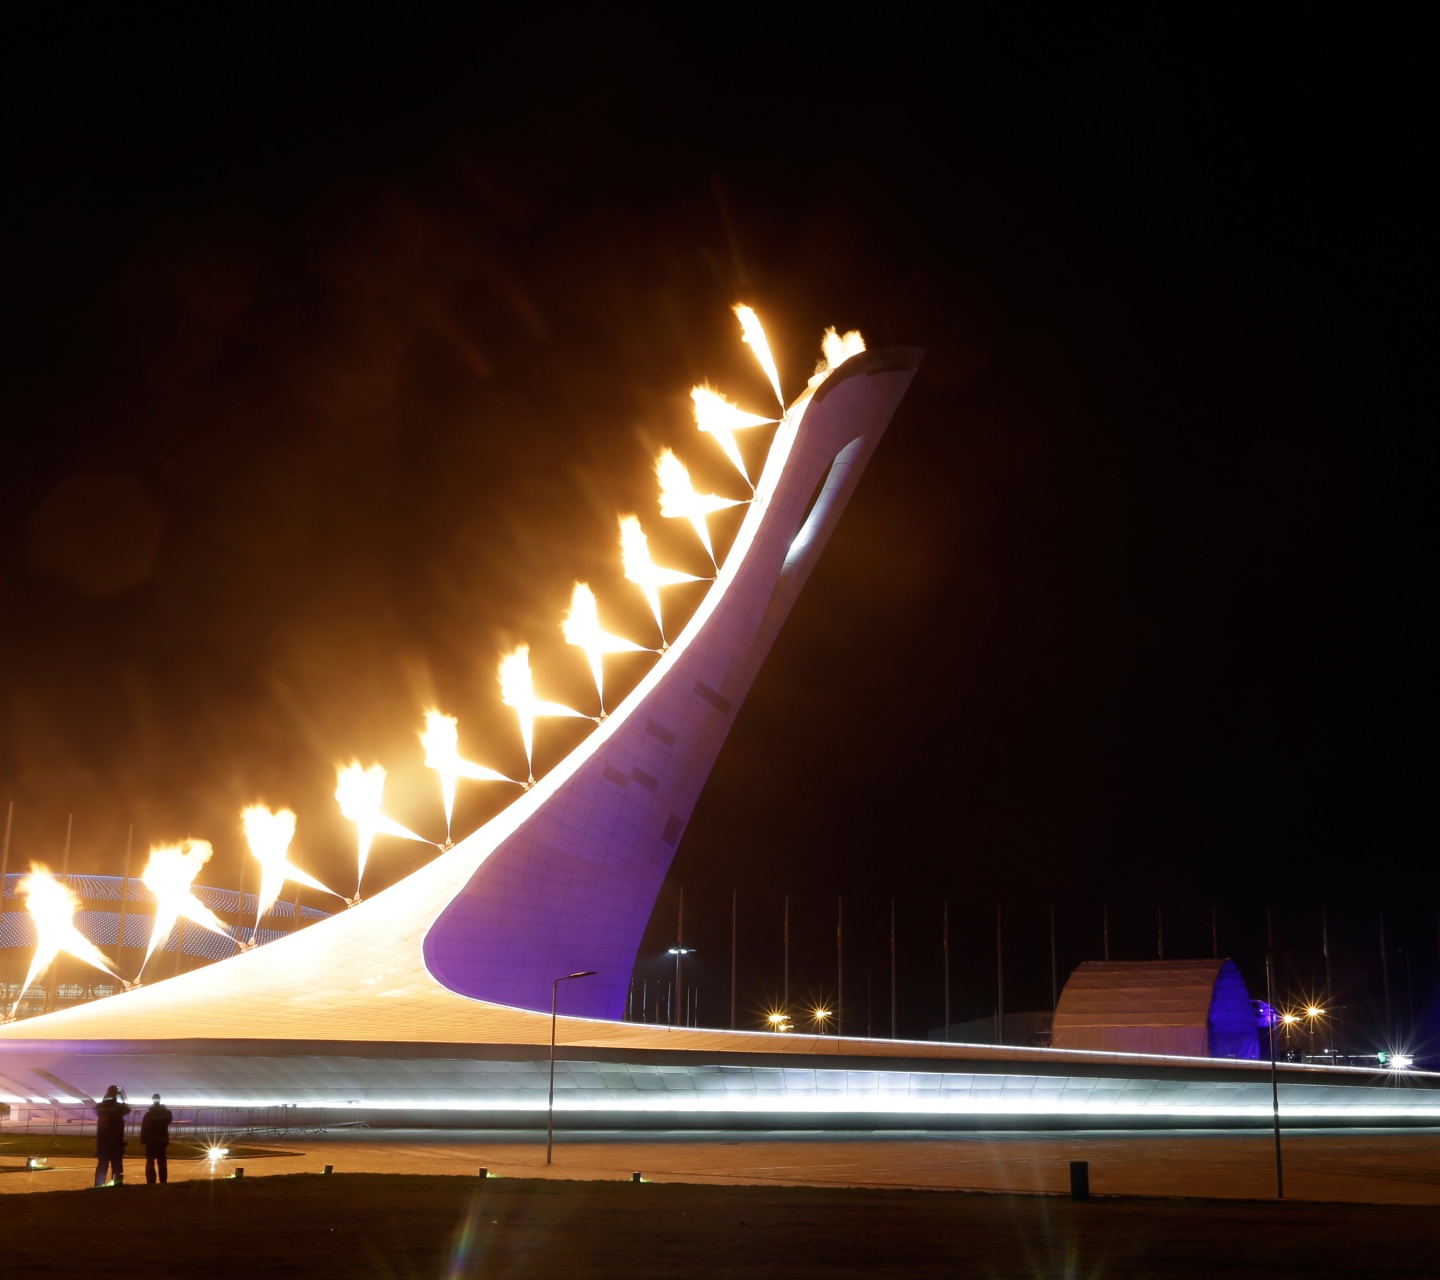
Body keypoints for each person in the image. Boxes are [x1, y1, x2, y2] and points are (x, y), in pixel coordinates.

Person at [93, 1085, 130, 1187]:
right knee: (116, 1164)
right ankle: (116, 1184)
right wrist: (122, 1098)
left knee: (102, 1164)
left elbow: (95, 1109)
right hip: (116, 1140)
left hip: (102, 1140)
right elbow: (127, 1109)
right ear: (116, 1093)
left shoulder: (101, 1106)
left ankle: (98, 1185)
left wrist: (106, 1098)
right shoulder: (118, 1107)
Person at [140, 1093, 174, 1184]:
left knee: (150, 1162)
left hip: (150, 1141)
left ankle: (151, 1182)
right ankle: (163, 1181)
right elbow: (169, 1120)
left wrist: (142, 1140)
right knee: (162, 1161)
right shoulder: (166, 1113)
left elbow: (144, 1127)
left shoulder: (149, 1114)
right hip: (162, 1140)